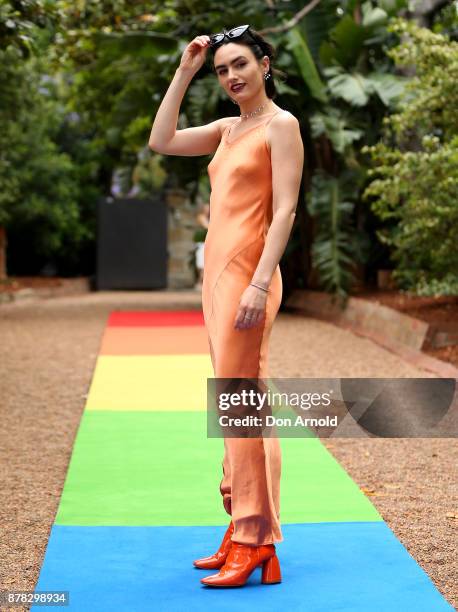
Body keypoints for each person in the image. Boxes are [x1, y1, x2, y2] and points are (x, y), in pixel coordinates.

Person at [148, 24, 303, 588]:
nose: (231, 76)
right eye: (222, 70)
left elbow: (283, 211)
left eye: (240, 64)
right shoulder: (227, 129)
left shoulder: (280, 126)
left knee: (240, 404)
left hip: (249, 276)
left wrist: (261, 284)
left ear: (265, 64)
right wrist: (185, 69)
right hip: (217, 276)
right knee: (238, 404)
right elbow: (161, 140)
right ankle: (246, 528)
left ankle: (254, 538)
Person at [194, 202, 210, 290]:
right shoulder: (201, 218)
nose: (208, 210)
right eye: (206, 208)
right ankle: (200, 283)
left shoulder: (211, 218)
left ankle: (201, 283)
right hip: (202, 245)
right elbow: (208, 227)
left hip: (209, 245)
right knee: (202, 265)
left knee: (205, 266)